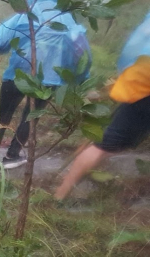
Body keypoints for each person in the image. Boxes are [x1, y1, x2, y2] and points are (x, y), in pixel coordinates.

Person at [0, 0, 91, 170]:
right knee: (31, 116)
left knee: (2, 115)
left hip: (17, 76)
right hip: (49, 80)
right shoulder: (66, 19)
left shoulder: (23, 16)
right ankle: (12, 156)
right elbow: (81, 52)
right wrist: (80, 78)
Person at [55, 13, 150, 200]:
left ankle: (64, 185)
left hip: (137, 84)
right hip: (144, 93)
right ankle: (60, 194)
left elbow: (135, 48)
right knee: (105, 143)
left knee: (106, 139)